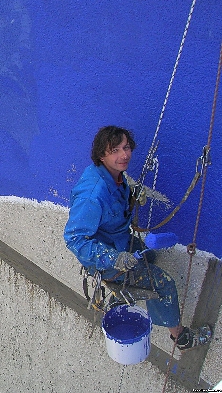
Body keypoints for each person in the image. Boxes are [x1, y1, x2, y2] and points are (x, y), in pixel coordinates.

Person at [64, 125, 212, 351]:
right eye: (114, 150)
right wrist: (115, 259)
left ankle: (121, 292)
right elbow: (74, 239)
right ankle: (180, 337)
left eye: (126, 147)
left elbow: (112, 206)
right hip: (107, 260)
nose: (124, 155)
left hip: (119, 239)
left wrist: (131, 196)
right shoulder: (92, 195)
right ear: (101, 155)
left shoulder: (113, 175)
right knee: (164, 284)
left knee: (149, 255)